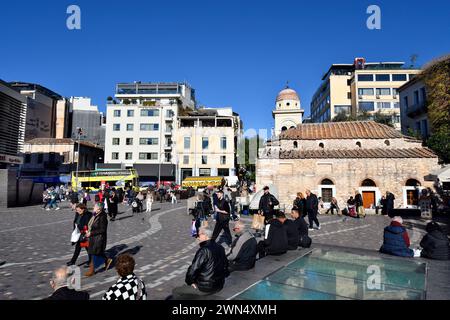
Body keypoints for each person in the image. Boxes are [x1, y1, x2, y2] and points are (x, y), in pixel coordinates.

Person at [171, 228, 229, 300]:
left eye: (199, 234)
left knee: (176, 291)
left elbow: (193, 269)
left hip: (205, 287)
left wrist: (190, 282)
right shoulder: (220, 247)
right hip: (219, 285)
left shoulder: (204, 250)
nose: (197, 236)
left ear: (206, 236)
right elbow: (226, 265)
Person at [85, 203, 113, 277]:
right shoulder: (95, 215)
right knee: (97, 253)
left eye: (95, 206)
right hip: (94, 237)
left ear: (99, 209)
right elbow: (91, 224)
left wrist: (91, 233)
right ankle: (107, 260)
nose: (93, 207)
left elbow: (102, 229)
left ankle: (92, 270)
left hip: (99, 238)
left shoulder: (102, 217)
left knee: (94, 254)